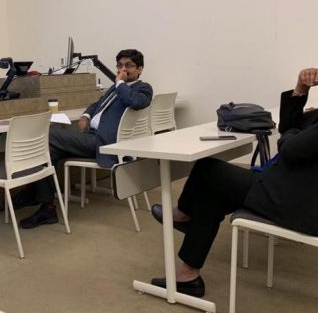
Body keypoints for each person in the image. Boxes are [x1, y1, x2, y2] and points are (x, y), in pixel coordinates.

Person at [150, 68, 318, 297]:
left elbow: (288, 148)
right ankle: (188, 277)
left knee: (207, 168)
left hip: (296, 202)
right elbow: (289, 128)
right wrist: (300, 90)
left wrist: (297, 132)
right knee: (212, 194)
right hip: (291, 190)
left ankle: (183, 213)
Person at [17, 49, 153, 228]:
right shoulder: (115, 88)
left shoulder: (143, 88)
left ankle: (31, 191)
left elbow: (135, 102)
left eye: (128, 66)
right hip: (91, 136)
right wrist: (86, 115)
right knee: (48, 150)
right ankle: (47, 207)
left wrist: (120, 83)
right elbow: (97, 103)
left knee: (48, 133)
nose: (123, 69)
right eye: (120, 65)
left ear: (140, 69)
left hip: (105, 142)